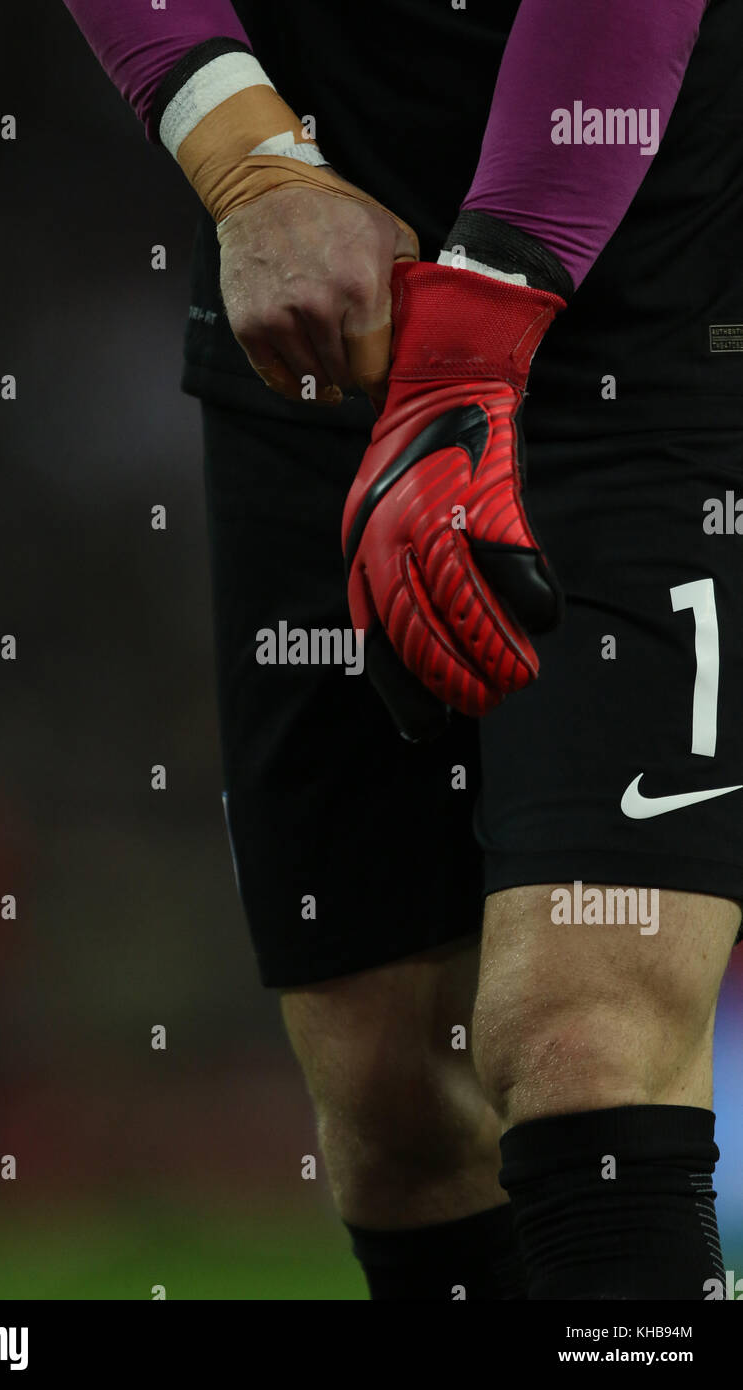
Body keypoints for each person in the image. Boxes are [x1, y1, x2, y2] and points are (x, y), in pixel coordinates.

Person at [63, 0, 743, 1300]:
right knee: (393, 1108)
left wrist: (479, 328)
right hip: (319, 311)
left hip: (646, 336)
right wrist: (250, 165)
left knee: (579, 1037)